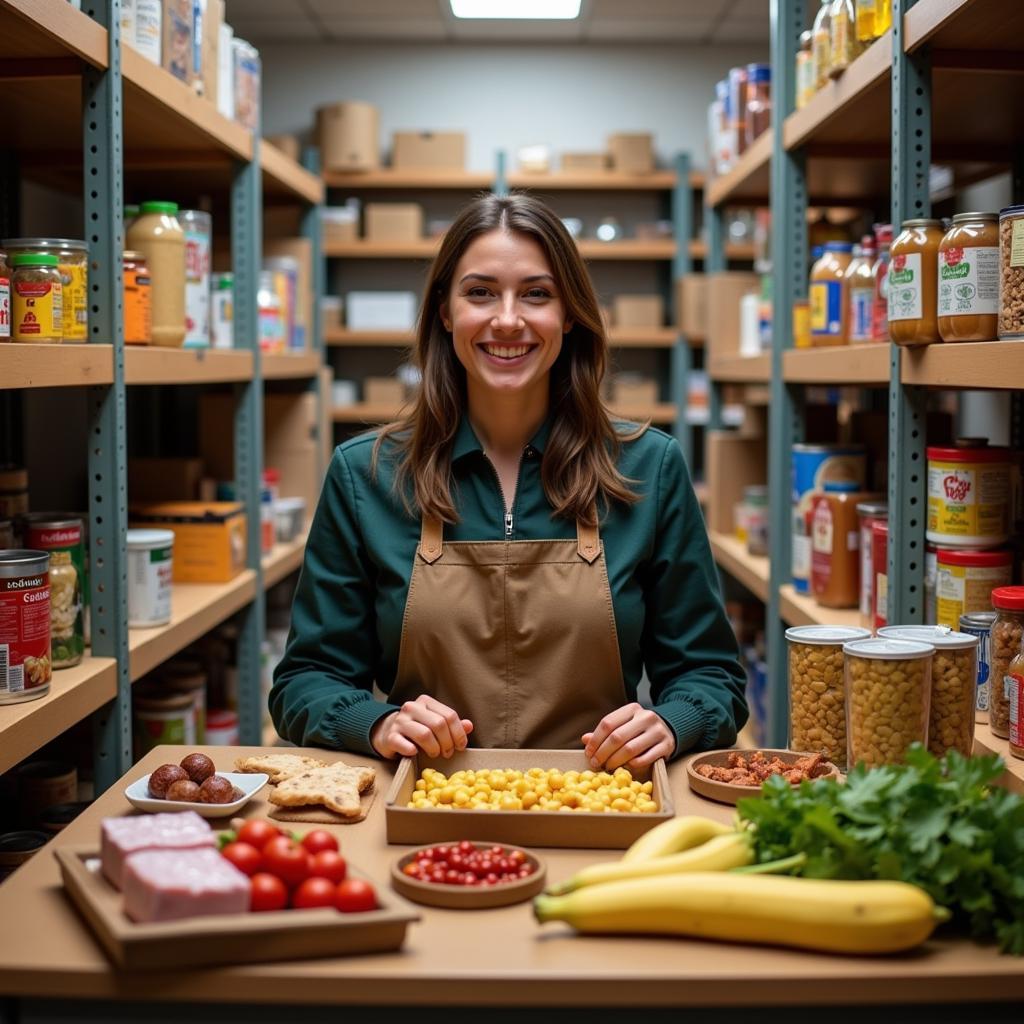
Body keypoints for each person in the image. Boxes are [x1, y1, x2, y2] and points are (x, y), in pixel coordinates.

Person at [270, 192, 747, 771]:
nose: (507, 319)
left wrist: (675, 721)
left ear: (569, 315)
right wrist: (376, 723)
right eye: (480, 292)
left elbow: (712, 674)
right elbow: (304, 681)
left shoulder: (648, 466)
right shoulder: (365, 474)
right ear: (445, 313)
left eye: (537, 294)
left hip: (598, 804)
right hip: (427, 804)